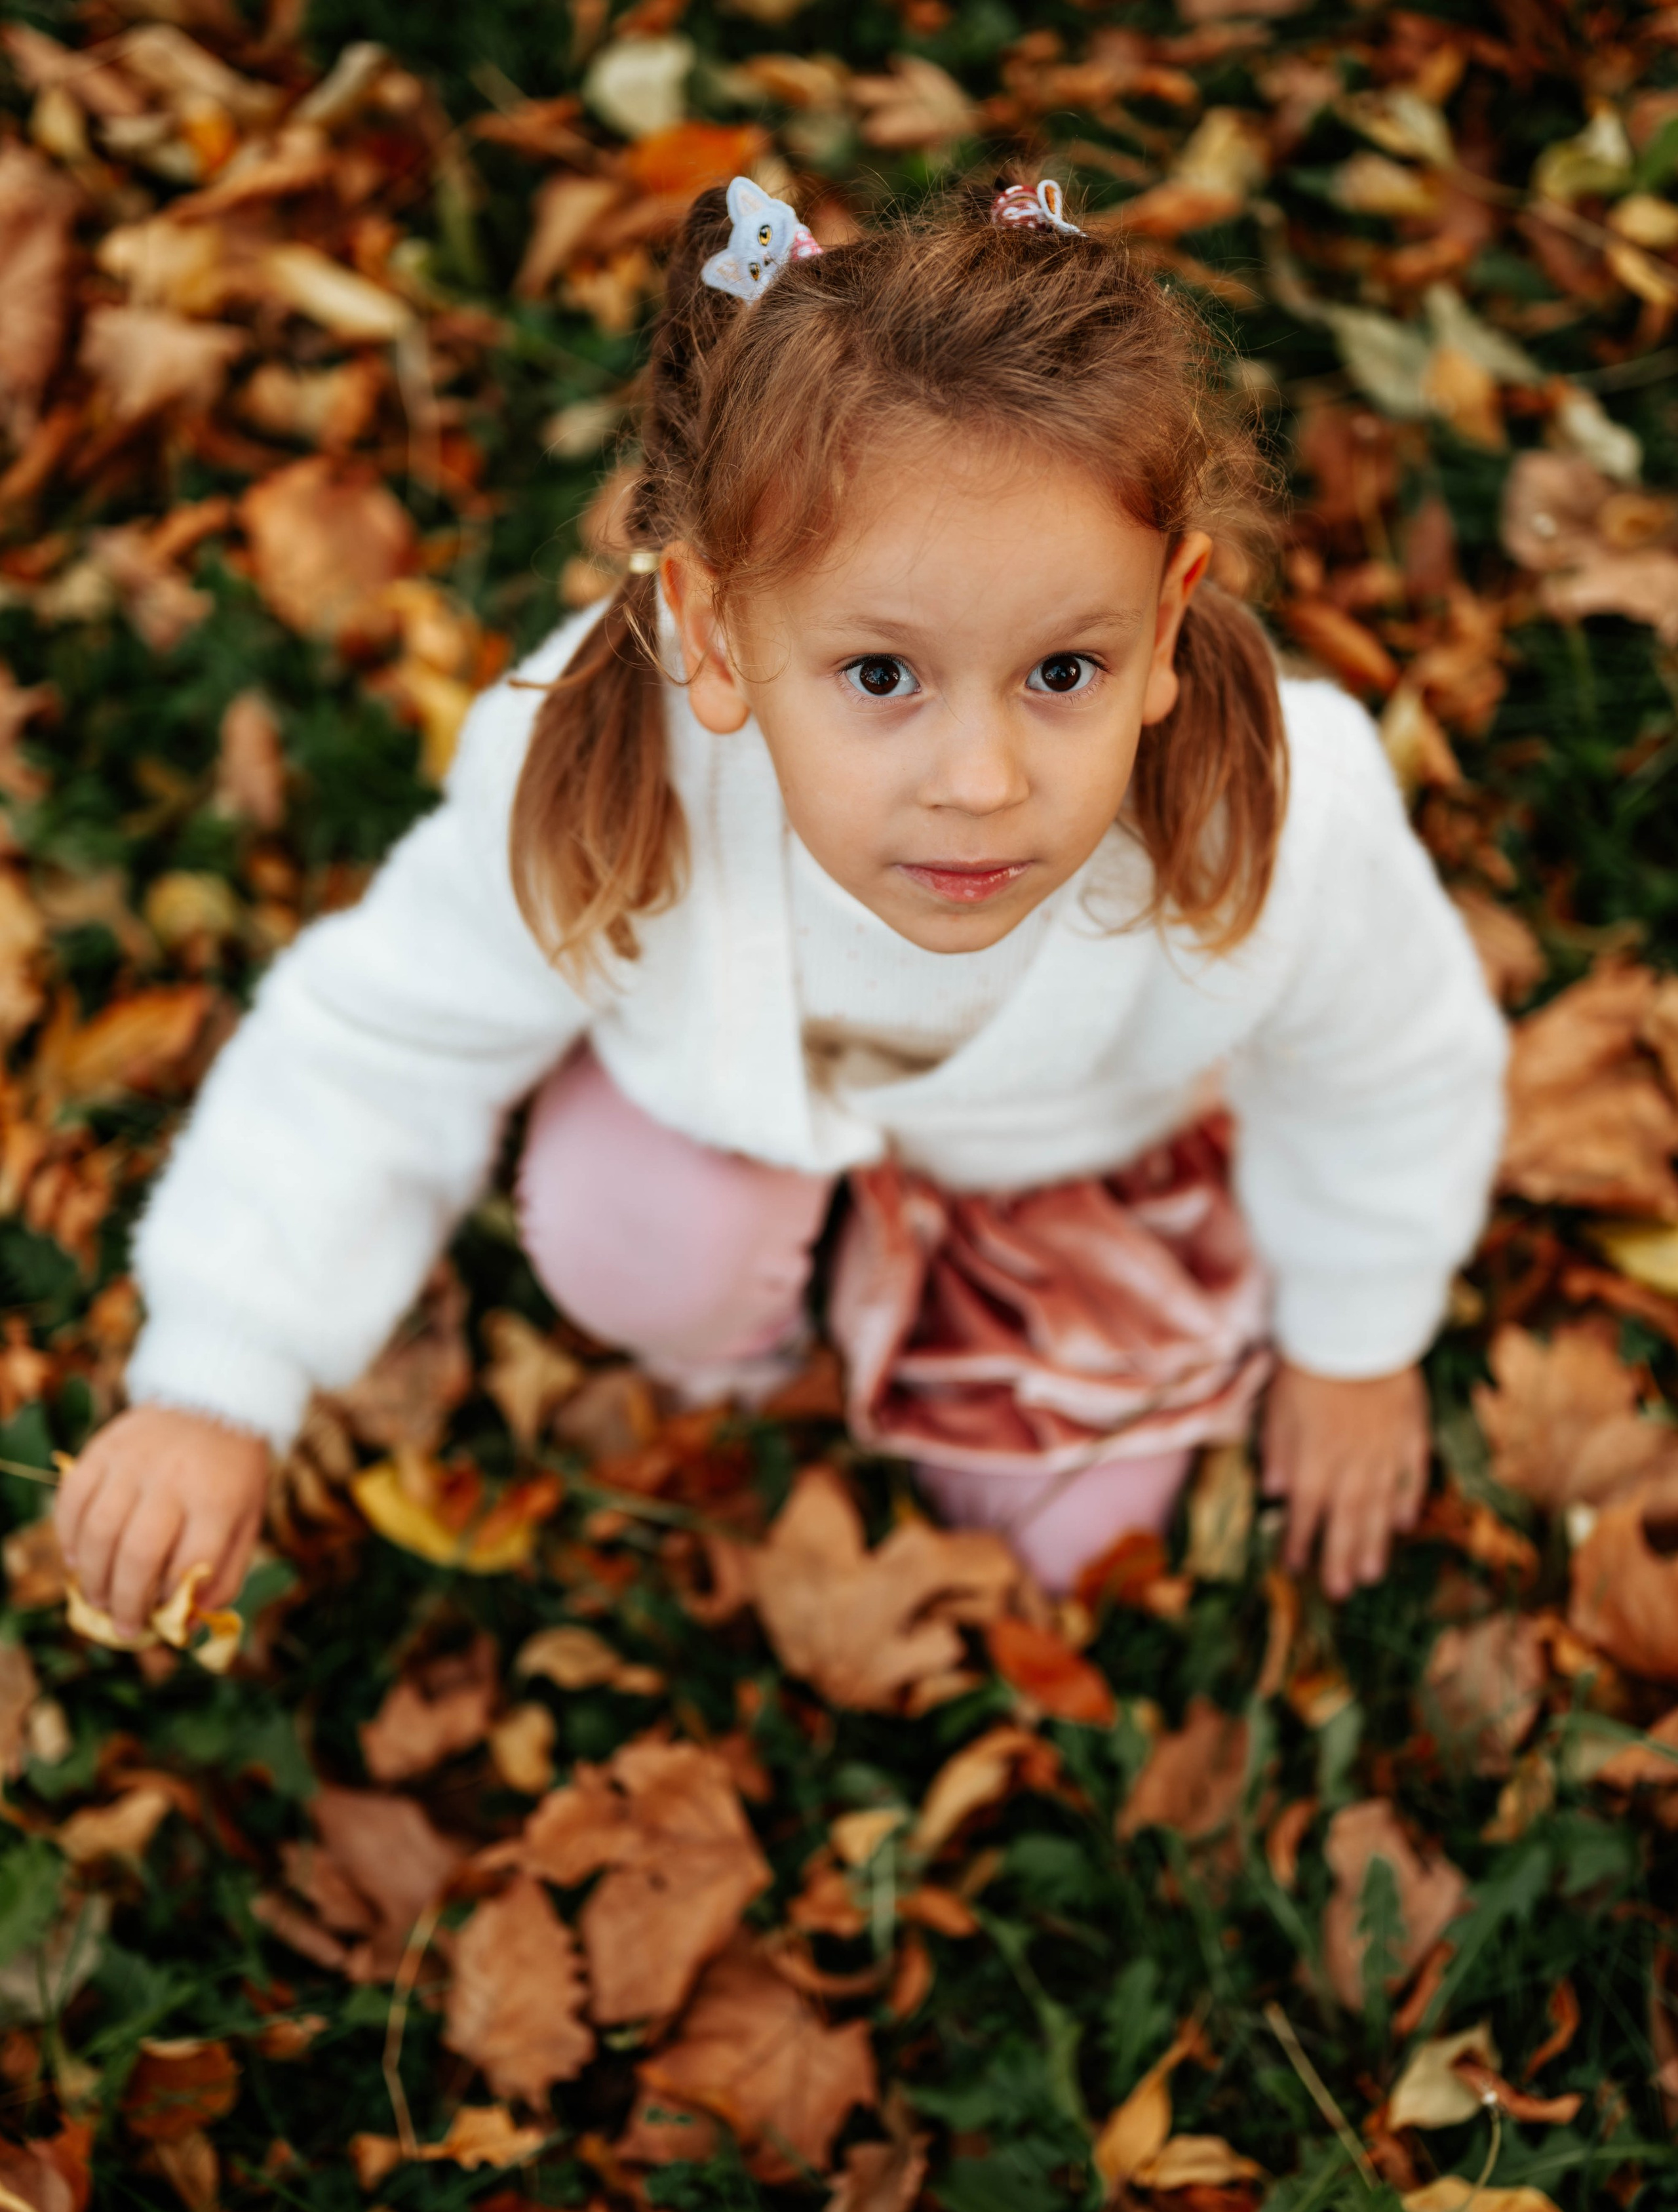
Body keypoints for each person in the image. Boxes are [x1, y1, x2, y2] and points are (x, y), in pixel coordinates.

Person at [54, 175, 1506, 1629]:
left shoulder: (1271, 816)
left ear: (1170, 614)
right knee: (638, 1231)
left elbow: (1391, 1069)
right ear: (711, 633)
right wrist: (222, 1375)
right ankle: (754, 1338)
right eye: (880, 676)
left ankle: (929, 1293)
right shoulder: (607, 773)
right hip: (718, 1120)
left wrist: (1355, 1341)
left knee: (1079, 1558)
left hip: (1050, 1159)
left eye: (1063, 672)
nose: (981, 780)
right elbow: (379, 1041)